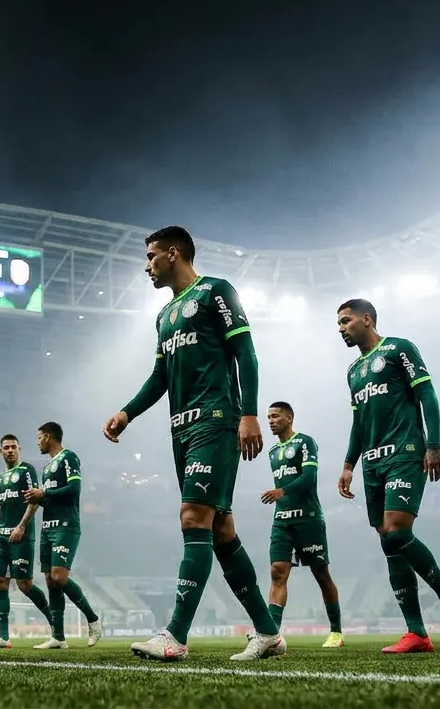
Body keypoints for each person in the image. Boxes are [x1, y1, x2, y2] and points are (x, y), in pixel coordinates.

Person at [103, 226, 285, 662]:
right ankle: (267, 633)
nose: (147, 266)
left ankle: (176, 636)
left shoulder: (215, 291)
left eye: (150, 256)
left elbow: (246, 353)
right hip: (180, 429)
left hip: (215, 420)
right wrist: (127, 412)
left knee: (192, 518)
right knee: (221, 530)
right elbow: (160, 377)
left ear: (173, 253)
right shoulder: (164, 316)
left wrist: (248, 414)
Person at [335, 299, 440, 654]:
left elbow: (426, 394)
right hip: (371, 463)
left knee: (396, 532)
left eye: (346, 321)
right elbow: (359, 421)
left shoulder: (398, 348)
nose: (341, 328)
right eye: (339, 324)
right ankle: (416, 633)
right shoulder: (353, 371)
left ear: (366, 319)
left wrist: (433, 445)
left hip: (405, 453)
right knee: (388, 543)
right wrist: (348, 464)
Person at [260, 402, 344, 648]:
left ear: (289, 418)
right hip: (282, 520)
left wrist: (282, 491)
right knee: (277, 571)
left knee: (321, 574)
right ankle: (272, 636)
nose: (271, 421)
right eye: (268, 417)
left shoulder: (305, 442)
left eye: (275, 416)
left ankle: (336, 632)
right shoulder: (272, 451)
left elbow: (309, 478)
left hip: (308, 518)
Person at [24, 422, 103, 649]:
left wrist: (44, 493)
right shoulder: (47, 467)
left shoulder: (69, 458)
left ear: (48, 437)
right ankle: (58, 637)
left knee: (59, 577)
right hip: (47, 527)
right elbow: (50, 498)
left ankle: (93, 620)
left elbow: (74, 489)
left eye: (39, 437)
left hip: (65, 526)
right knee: (51, 581)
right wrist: (36, 498)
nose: (38, 442)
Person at [0, 433, 53, 649]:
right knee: (0, 582)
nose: (10, 450)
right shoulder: (0, 478)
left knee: (24, 585)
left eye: (13, 447)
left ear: (19, 449)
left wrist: (21, 526)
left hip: (21, 536)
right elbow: (1, 508)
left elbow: (35, 501)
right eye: (6, 447)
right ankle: (3, 636)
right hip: (2, 537)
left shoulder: (26, 470)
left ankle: (55, 626)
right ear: (0, 451)